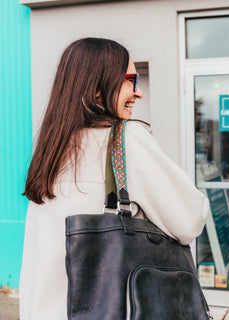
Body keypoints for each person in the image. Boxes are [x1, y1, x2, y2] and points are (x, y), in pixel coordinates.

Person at [19, 37, 209, 319]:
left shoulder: (50, 152)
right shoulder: (125, 139)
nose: (138, 92)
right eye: (130, 80)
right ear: (97, 88)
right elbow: (189, 220)